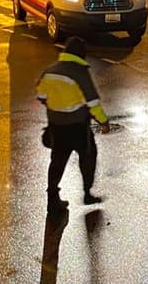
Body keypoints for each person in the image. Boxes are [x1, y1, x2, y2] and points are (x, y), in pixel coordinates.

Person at [36, 36, 110, 210]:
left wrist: (57, 107)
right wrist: (103, 122)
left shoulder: (50, 71)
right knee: (88, 157)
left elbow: (41, 96)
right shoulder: (80, 72)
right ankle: (87, 193)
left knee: (57, 161)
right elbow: (92, 103)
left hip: (56, 125)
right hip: (78, 126)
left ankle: (52, 198)